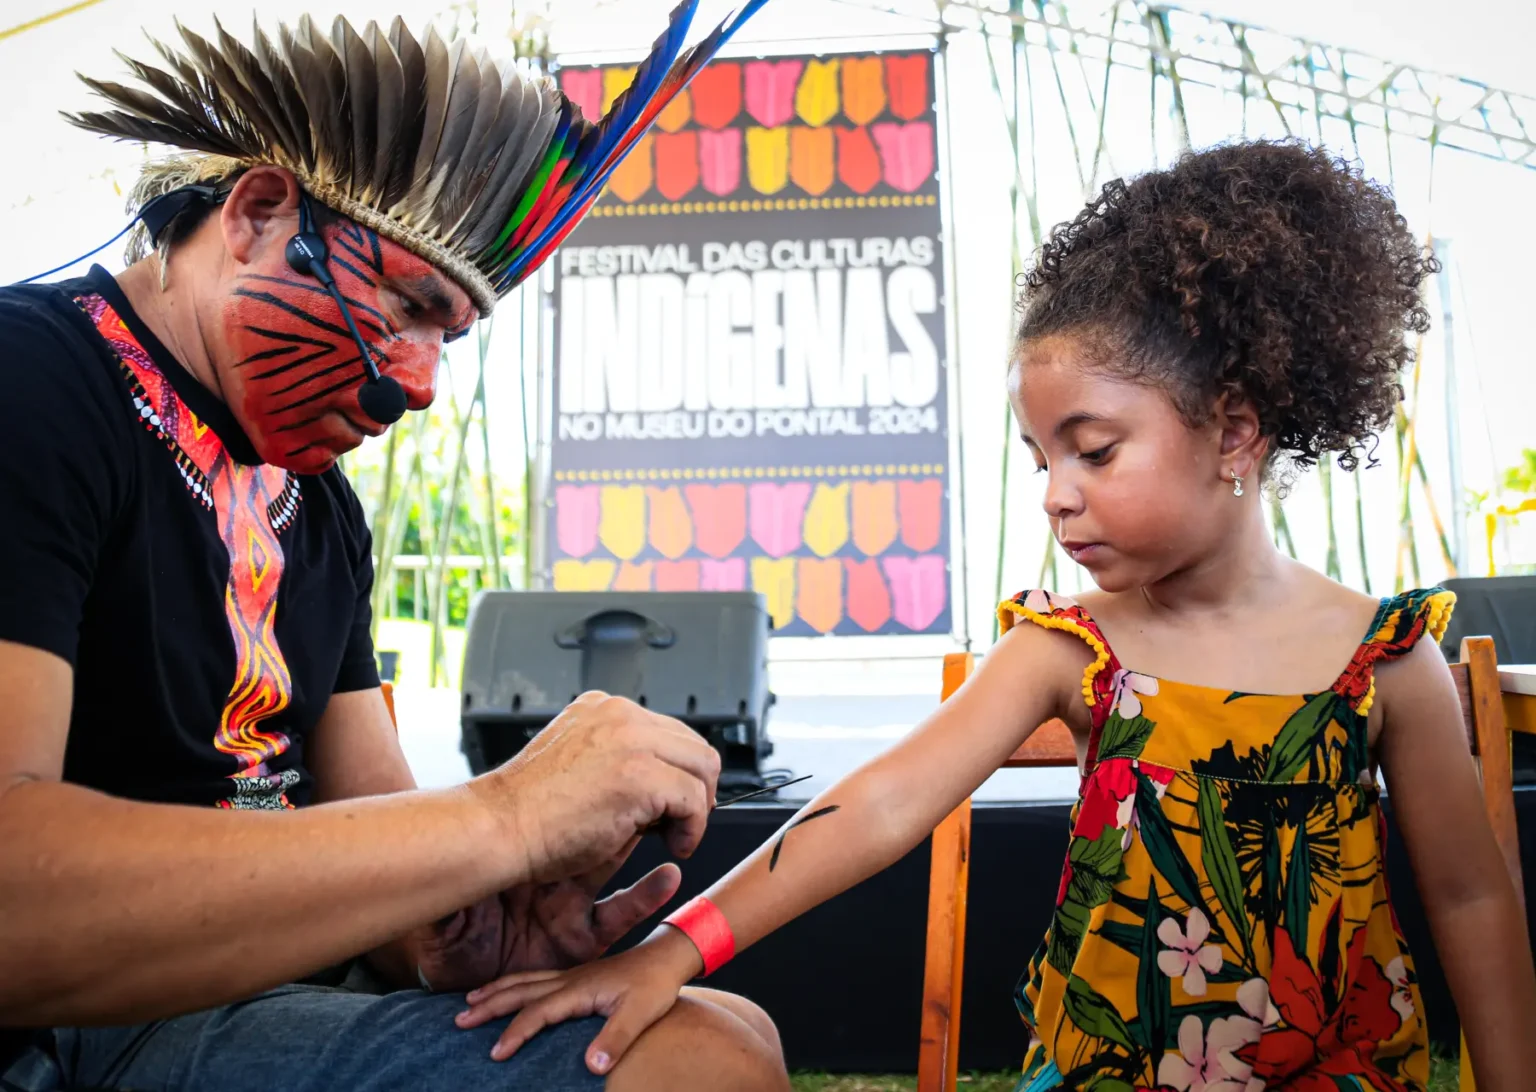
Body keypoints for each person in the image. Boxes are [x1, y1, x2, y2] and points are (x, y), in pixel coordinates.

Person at [456, 141, 1536, 1089]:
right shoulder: (1070, 650)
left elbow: (1472, 899)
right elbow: (879, 808)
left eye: (1094, 449)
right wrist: (670, 952)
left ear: (1236, 431)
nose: (1057, 492)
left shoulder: (1388, 661)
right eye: (1041, 457)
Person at [0, 10, 788, 1092]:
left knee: (726, 1029)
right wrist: (505, 814)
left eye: (449, 339)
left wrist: (450, 939)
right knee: (697, 1067)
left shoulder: (323, 510)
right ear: (260, 211)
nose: (419, 384)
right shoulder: (31, 382)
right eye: (406, 310)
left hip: (278, 986)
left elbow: (372, 827)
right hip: (95, 1019)